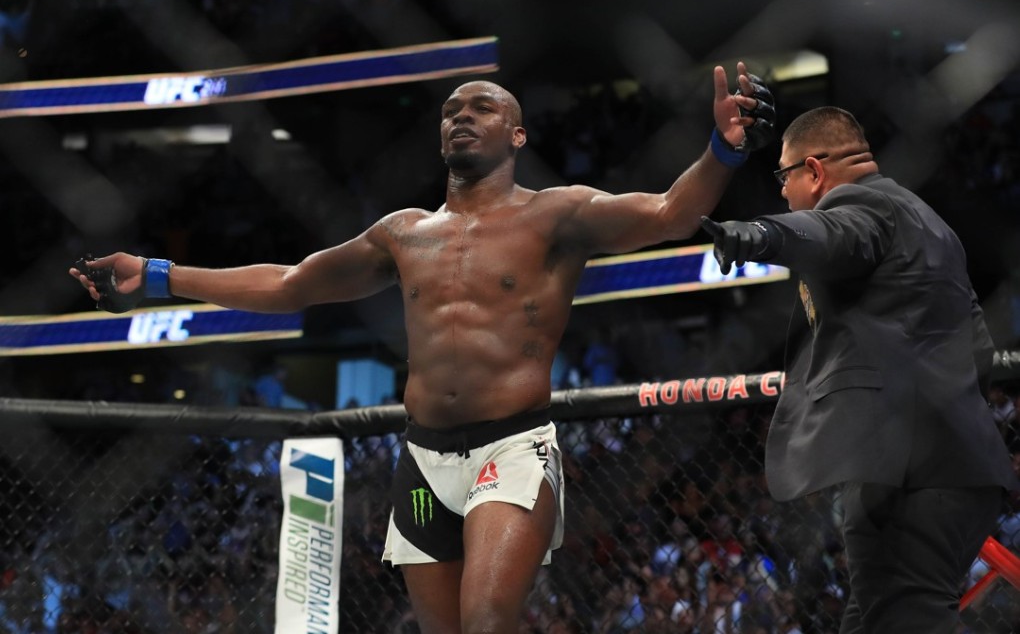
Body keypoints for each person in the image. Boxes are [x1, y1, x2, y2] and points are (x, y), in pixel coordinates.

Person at [70, 64, 775, 634]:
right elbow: (290, 284)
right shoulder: (403, 231)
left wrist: (723, 150)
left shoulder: (558, 214)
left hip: (512, 448)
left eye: (481, 107)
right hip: (423, 456)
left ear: (519, 134)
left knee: (488, 619)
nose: (461, 115)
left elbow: (670, 214)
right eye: (450, 111)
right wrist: (159, 276)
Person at [700, 106, 1018, 633]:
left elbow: (832, 235)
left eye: (784, 175)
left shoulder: (861, 205)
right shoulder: (932, 226)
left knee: (910, 618)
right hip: (965, 471)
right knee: (872, 620)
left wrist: (759, 234)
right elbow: (979, 350)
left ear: (815, 172)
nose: (782, 191)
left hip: (906, 474)